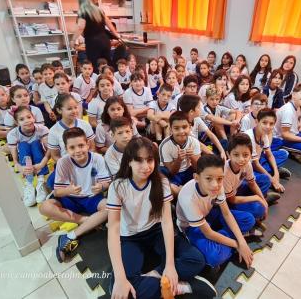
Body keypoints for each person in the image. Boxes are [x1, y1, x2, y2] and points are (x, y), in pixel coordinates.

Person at [107, 137, 214, 299]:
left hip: (156, 231)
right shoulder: (118, 187)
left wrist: (170, 265)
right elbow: (114, 230)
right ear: (129, 162)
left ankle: (159, 277)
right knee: (119, 291)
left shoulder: (161, 182)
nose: (145, 166)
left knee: (196, 260)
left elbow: (166, 222)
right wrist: (121, 278)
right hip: (130, 238)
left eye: (149, 160)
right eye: (139, 161)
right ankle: (180, 286)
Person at [40, 127, 109, 263]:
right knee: (45, 207)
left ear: (87, 144)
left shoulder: (97, 158)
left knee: (109, 208)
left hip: (91, 197)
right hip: (70, 198)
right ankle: (85, 221)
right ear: (66, 148)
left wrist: (101, 186)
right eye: (72, 147)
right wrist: (69, 190)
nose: (78, 150)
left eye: (81, 145)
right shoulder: (63, 162)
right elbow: (58, 191)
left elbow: (106, 181)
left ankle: (71, 235)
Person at [176, 154, 254, 269]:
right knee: (215, 257)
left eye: (219, 179)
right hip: (191, 227)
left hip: (210, 215)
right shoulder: (188, 198)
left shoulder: (218, 185)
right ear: (196, 177)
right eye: (208, 179)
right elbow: (208, 233)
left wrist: (242, 242)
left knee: (249, 220)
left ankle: (226, 241)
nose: (215, 184)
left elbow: (227, 213)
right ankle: (230, 240)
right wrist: (238, 244)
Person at [47, 94, 95, 189]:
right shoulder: (54, 131)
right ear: (59, 110)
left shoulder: (85, 125)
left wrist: (86, 162)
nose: (74, 111)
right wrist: (69, 165)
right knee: (51, 183)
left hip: (85, 161)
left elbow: (92, 147)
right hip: (66, 164)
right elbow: (55, 155)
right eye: (69, 109)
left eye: (75, 107)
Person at [7, 106, 49, 206]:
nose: (27, 121)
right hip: (25, 161)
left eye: (29, 117)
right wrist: (20, 167)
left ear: (33, 117)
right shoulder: (13, 134)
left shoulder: (42, 129)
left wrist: (42, 164)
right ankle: (29, 184)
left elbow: (49, 150)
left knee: (35, 143)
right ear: (17, 123)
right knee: (23, 145)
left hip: (40, 159)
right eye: (21, 119)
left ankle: (41, 181)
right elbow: (15, 160)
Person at [223, 133, 269, 223]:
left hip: (237, 189)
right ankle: (256, 203)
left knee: (265, 179)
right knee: (258, 209)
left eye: (245, 155)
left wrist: (263, 201)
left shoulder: (247, 164)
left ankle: (263, 200)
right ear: (228, 155)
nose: (241, 159)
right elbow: (231, 199)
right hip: (229, 200)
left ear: (250, 155)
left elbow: (252, 183)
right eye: (236, 155)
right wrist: (257, 198)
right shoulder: (225, 173)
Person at [245, 109, 291, 193]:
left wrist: (276, 173)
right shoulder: (249, 137)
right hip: (248, 167)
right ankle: (268, 177)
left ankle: (273, 171)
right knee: (264, 179)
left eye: (271, 124)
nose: (268, 126)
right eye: (264, 123)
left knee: (283, 154)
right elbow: (255, 165)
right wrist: (273, 180)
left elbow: (269, 154)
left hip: (258, 161)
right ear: (257, 121)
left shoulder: (264, 135)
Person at [71, 0, 121, 70]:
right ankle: (109, 78)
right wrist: (116, 34)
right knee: (107, 63)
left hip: (93, 43)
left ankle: (97, 79)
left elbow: (80, 27)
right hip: (105, 41)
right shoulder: (99, 10)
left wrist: (73, 40)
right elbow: (109, 23)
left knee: (94, 64)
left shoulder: (83, 13)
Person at [159, 111, 201, 190]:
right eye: (176, 128)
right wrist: (179, 160)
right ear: (171, 129)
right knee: (166, 186)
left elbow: (197, 167)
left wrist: (192, 156)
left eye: (184, 127)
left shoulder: (194, 141)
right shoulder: (164, 145)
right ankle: (182, 191)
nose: (181, 131)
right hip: (172, 174)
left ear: (190, 127)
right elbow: (172, 172)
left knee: (202, 179)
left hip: (189, 170)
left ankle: (184, 190)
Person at [179, 95, 227, 160]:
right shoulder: (182, 125)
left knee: (224, 143)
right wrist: (215, 157)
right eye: (198, 107)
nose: (201, 109)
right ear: (191, 112)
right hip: (192, 153)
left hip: (201, 147)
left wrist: (222, 151)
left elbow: (211, 135)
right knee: (209, 157)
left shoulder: (196, 118)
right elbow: (199, 145)